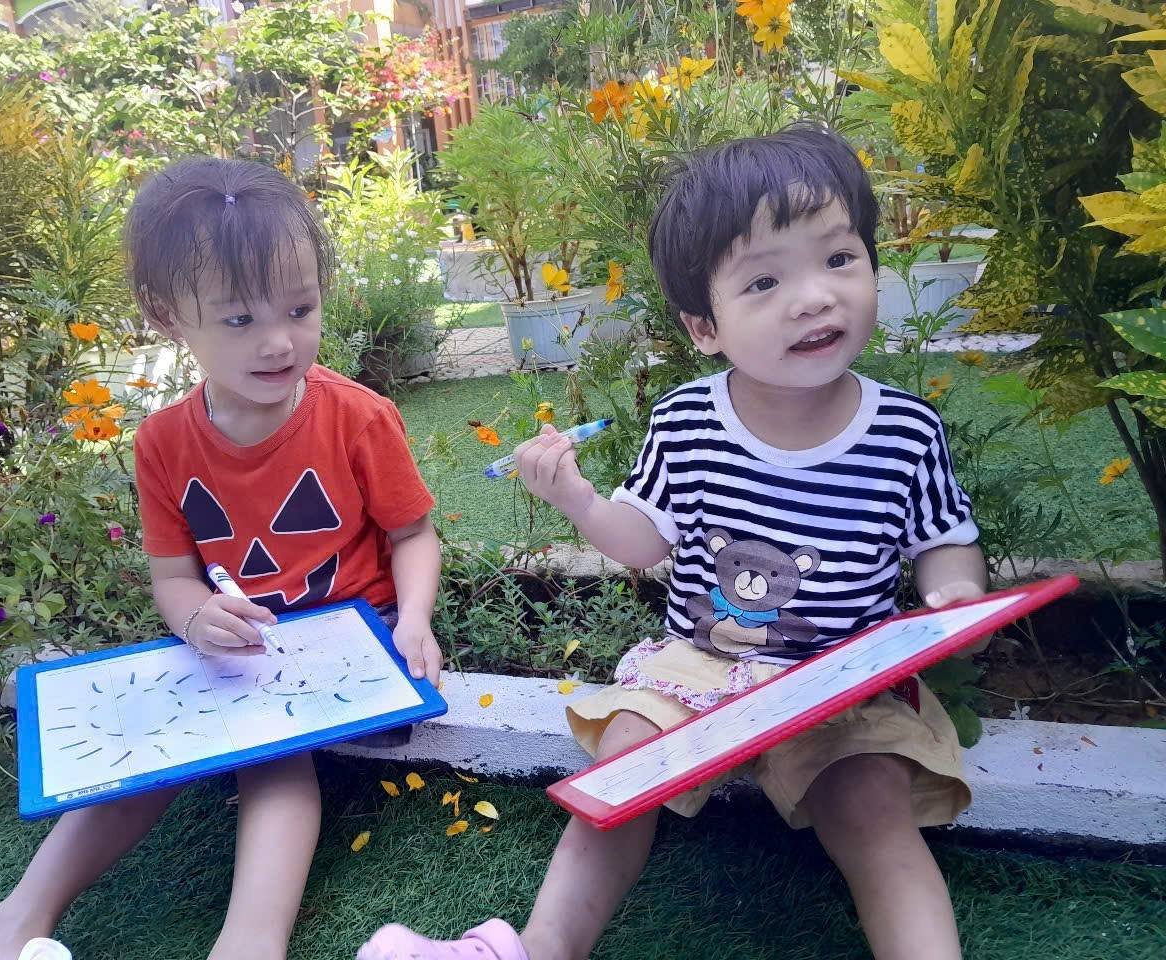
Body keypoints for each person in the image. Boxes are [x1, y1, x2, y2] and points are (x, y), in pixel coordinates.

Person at [358, 122, 987, 960]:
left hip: (840, 679)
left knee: (869, 807)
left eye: (839, 258)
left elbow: (945, 541)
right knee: (619, 772)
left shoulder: (905, 432)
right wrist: (578, 497)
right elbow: (642, 543)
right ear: (704, 327)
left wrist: (953, 594)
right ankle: (538, 948)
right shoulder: (688, 420)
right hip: (699, 664)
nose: (813, 298)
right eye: (764, 280)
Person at [0, 157, 442, 960]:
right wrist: (195, 620)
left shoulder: (358, 418)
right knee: (148, 742)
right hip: (237, 651)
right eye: (239, 319)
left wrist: (416, 623)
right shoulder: (162, 443)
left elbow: (414, 536)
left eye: (300, 308)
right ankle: (19, 915)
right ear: (167, 316)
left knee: (274, 762)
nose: (278, 341)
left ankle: (249, 941)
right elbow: (174, 578)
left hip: (353, 642)